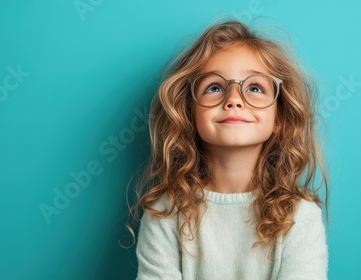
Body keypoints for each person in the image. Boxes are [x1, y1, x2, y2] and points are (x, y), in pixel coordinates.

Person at [123, 19, 329, 280]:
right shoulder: (165, 211)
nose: (233, 99)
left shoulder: (300, 216)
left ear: (279, 118)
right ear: (189, 112)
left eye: (255, 88)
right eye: (214, 87)